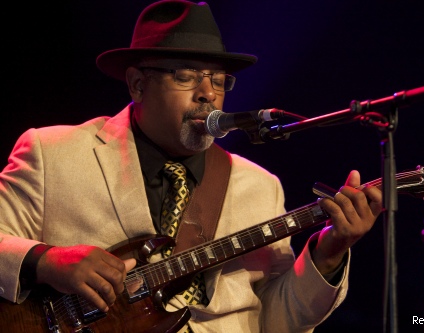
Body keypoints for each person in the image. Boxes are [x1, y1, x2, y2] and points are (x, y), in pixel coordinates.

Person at [0, 1, 383, 332]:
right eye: (186, 75)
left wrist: (329, 252)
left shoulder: (259, 186)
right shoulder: (53, 152)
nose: (208, 92)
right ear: (136, 84)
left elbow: (279, 321)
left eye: (217, 79)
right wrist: (45, 261)